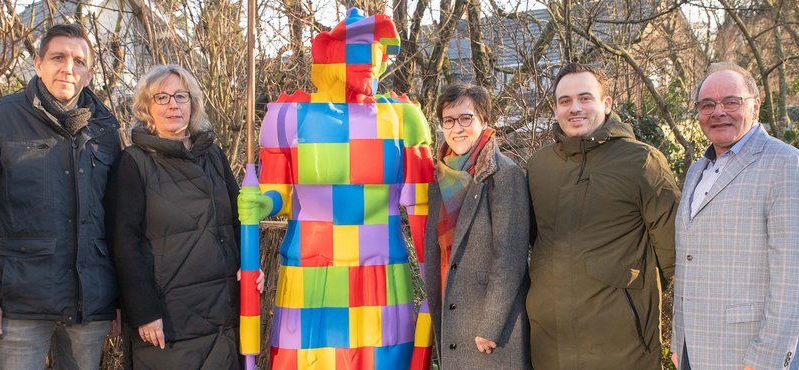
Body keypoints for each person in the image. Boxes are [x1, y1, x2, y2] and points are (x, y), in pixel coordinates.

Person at [237, 8, 435, 370]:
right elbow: (277, 194)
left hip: (381, 270)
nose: (369, 59)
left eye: (375, 50)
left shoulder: (404, 119)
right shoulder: (287, 117)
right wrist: (260, 204)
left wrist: (434, 277)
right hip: (312, 271)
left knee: (384, 362)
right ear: (329, 54)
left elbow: (421, 206)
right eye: (357, 48)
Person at [0, 23, 122, 369]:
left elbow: (117, 218)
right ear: (37, 63)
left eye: (78, 61)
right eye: (58, 57)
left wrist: (118, 298)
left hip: (89, 306)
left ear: (89, 73)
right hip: (19, 305)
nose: (67, 68)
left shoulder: (105, 127)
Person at [671, 62, 799, 370]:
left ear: (755, 106)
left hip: (750, 355)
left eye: (731, 101)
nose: (718, 112)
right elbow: (688, 261)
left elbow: (794, 278)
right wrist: (679, 343)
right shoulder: (697, 170)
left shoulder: (786, 166)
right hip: (696, 349)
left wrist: (766, 358)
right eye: (707, 104)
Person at [525, 63, 680, 369]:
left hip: (622, 346)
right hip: (549, 345)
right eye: (565, 101)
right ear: (555, 108)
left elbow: (674, 255)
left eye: (585, 98)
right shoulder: (539, 166)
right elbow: (530, 242)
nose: (574, 108)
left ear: (606, 104)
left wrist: (623, 292)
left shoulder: (642, 162)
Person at [105, 64, 247, 369]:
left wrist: (250, 266)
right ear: (146, 107)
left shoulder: (214, 156)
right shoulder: (133, 163)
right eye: (162, 98)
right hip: (169, 321)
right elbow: (124, 244)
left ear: (193, 103)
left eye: (181, 96)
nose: (173, 105)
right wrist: (143, 311)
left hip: (224, 312)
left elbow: (238, 221)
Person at [423, 83, 530, 368]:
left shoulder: (504, 175)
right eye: (448, 120)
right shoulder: (439, 179)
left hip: (490, 325)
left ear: (483, 121)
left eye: (466, 118)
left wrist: (491, 325)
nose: (457, 127)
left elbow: (510, 257)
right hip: (450, 307)